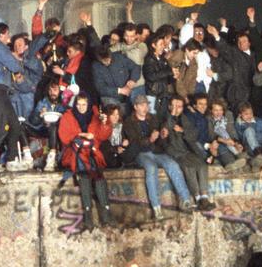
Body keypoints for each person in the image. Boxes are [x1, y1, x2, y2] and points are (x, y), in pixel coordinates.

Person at [122, 95, 193, 220]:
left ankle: (186, 198)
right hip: (141, 153)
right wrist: (149, 139)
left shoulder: (153, 118)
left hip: (156, 151)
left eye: (147, 105)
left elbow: (160, 138)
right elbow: (134, 141)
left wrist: (163, 135)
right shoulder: (129, 122)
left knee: (173, 165)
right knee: (151, 169)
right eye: (142, 105)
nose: (145, 107)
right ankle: (156, 207)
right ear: (135, 107)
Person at [59, 94, 113, 229]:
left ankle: (106, 213)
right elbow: (64, 137)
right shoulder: (68, 116)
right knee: (84, 176)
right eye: (78, 104)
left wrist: (105, 123)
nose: (81, 107)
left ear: (88, 105)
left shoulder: (95, 115)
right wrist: (81, 135)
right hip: (74, 153)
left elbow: (103, 135)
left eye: (84, 104)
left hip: (92, 152)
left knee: (99, 177)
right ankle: (88, 215)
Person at [0, 22, 26, 172]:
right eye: (7, 34)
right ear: (2, 34)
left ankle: (11, 159)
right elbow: (14, 66)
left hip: (0, 90)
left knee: (14, 124)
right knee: (3, 125)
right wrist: (17, 62)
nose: (9, 37)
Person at [161, 97, 216, 211]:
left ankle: (204, 198)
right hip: (173, 153)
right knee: (189, 166)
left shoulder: (184, 119)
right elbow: (165, 130)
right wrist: (172, 115)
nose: (177, 109)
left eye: (179, 107)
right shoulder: (164, 118)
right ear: (170, 107)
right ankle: (197, 198)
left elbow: (193, 135)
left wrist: (182, 131)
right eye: (174, 106)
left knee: (201, 163)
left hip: (186, 151)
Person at [204, 100, 249, 172]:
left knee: (239, 147)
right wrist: (224, 141)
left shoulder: (226, 118)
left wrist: (236, 143)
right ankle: (230, 164)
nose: (218, 113)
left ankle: (239, 161)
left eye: (220, 110)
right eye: (216, 110)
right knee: (220, 146)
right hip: (216, 143)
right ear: (211, 111)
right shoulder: (208, 119)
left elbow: (232, 132)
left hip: (230, 143)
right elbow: (210, 135)